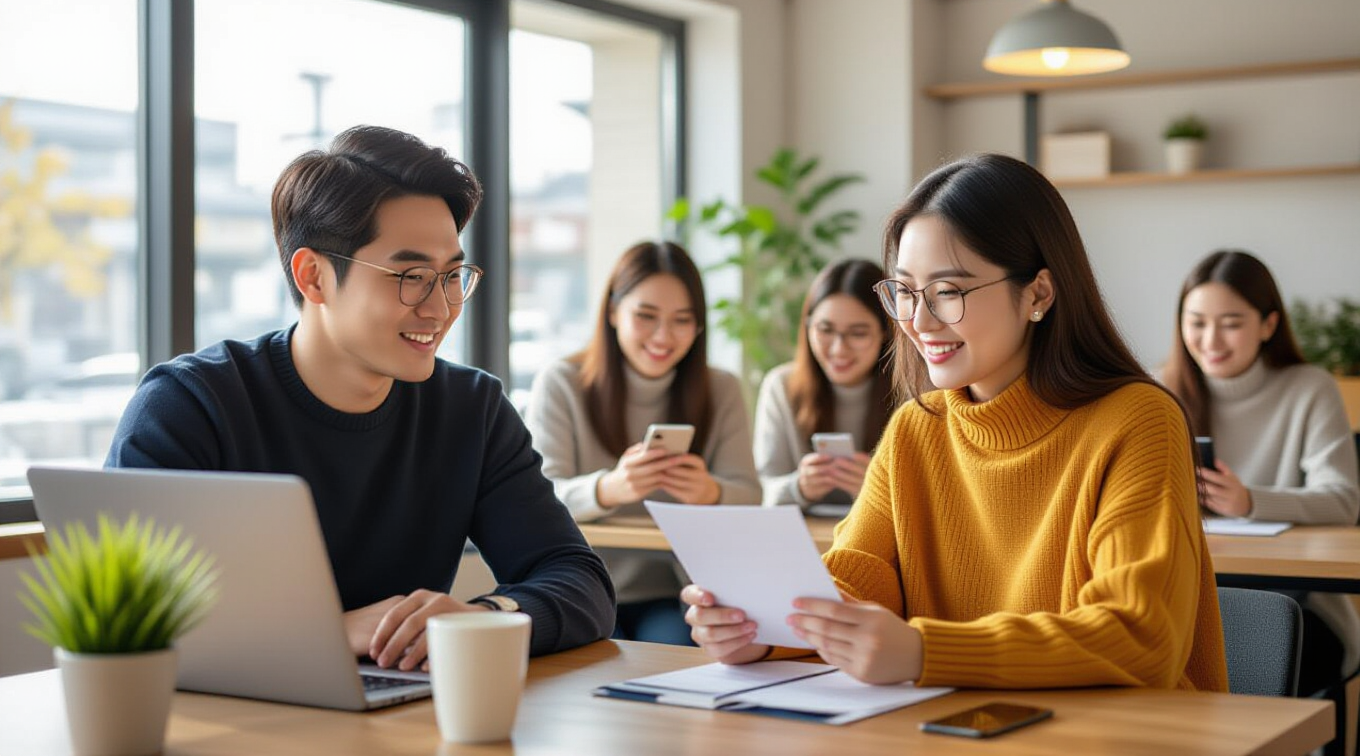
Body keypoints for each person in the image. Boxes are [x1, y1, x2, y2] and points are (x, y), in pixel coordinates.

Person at [682, 153, 1229, 692]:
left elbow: (1139, 636)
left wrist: (924, 652)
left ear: (1037, 293)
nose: (918, 322)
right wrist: (764, 629)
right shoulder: (915, 429)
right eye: (904, 292)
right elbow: (856, 575)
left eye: (948, 292)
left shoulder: (1138, 420)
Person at [106, 125, 615, 670]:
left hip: (402, 723)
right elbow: (123, 618)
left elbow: (578, 580)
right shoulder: (190, 407)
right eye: (412, 276)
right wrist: (327, 633)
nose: (441, 309)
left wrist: (482, 618)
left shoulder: (472, 410)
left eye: (451, 276)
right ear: (314, 277)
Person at [525, 241, 760, 645]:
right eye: (646, 316)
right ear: (614, 312)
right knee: (589, 670)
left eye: (682, 320)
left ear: (699, 325)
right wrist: (607, 489)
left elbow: (751, 495)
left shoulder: (720, 389)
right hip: (580, 589)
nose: (663, 336)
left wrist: (711, 491)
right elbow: (536, 501)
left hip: (672, 593)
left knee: (676, 657)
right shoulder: (563, 382)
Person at [1162, 249, 1360, 698]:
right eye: (1196, 322)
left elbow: (1345, 501)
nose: (1211, 339)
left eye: (1230, 323)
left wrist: (1249, 502)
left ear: (1268, 325)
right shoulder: (1157, 390)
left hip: (1300, 608)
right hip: (1189, 598)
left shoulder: (1309, 388)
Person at [753, 258, 893, 510]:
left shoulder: (914, 392)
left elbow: (933, 501)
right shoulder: (781, 386)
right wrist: (799, 487)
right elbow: (761, 492)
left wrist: (877, 488)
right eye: (825, 330)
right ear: (807, 328)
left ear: (886, 332)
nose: (839, 349)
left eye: (858, 333)